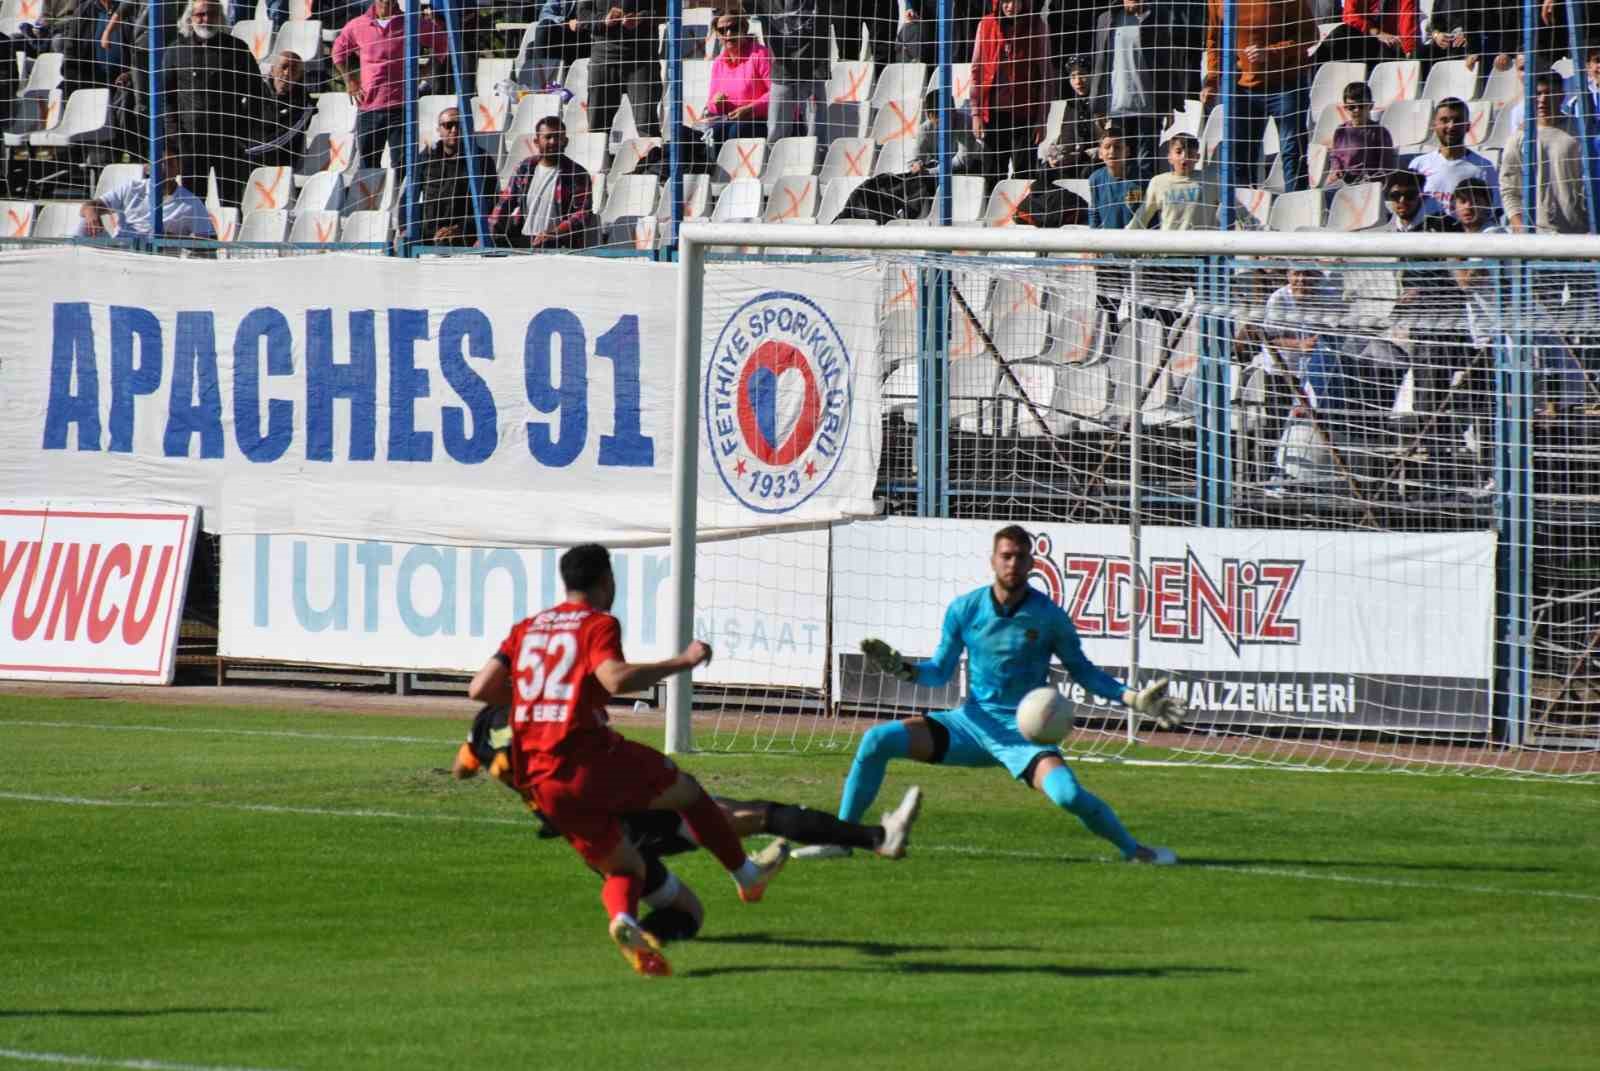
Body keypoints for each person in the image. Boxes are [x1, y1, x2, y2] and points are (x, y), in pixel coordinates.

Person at [466, 543, 788, 977]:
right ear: (606, 580)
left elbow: (480, 688)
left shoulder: (527, 628)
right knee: (688, 793)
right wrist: (683, 661)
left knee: (625, 865)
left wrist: (540, 697)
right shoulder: (597, 623)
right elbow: (615, 679)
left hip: (539, 779)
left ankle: (624, 920)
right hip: (587, 757)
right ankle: (746, 876)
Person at [796, 525, 1183, 864]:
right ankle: (840, 840)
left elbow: (1083, 671)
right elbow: (939, 672)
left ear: (1032, 563)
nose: (1013, 563)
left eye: (1020, 557)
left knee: (1067, 795)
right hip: (969, 725)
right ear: (993, 560)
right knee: (876, 739)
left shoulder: (1049, 617)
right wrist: (906, 670)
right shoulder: (965, 609)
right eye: (1006, 556)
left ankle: (1136, 851)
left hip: (1024, 736)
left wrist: (1134, 700)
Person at [452, 702, 925, 867]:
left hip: (594, 822)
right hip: (620, 820)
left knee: (745, 815)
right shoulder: (553, 717)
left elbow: (463, 765)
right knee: (746, 818)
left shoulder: (487, 724)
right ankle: (873, 839)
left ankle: (872, 838)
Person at [1202, 0, 1317, 192]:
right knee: (1240, 155)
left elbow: (1310, 34)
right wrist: (1212, 80)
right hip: (1241, 87)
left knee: (1292, 152)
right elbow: (1215, 38)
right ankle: (1244, 208)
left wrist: (1271, 51)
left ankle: (1297, 204)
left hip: (1286, 84)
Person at [162, 0, 265, 207]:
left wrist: (244, 130)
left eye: (212, 14)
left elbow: (256, 91)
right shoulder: (176, 50)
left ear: (221, 17)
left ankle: (232, 230)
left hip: (228, 141)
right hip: (191, 142)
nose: (206, 19)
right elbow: (166, 97)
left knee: (231, 202)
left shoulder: (236, 48)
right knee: (192, 204)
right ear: (190, 18)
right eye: (200, 14)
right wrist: (177, 135)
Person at [333, 0, 448, 174]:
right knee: (368, 167)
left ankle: (403, 193)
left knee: (403, 166)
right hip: (369, 108)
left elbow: (442, 41)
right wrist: (350, 80)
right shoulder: (358, 25)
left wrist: (427, 69)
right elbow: (337, 52)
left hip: (402, 108)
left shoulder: (411, 22)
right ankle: (373, 193)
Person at [1088, 0, 1198, 178]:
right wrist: (1098, 104)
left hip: (1148, 109)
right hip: (1117, 107)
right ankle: (1125, 197)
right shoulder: (1106, 19)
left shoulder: (1158, 16)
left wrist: (1168, 104)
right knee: (1121, 166)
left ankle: (1141, 197)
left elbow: (1166, 62)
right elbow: (1100, 64)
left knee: (1144, 166)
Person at [970, 0, 1054, 190]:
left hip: (1025, 114)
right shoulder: (986, 25)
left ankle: (1023, 209)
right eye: (1006, 1)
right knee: (993, 174)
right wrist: (976, 113)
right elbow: (976, 70)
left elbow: (1046, 76)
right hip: (993, 114)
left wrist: (1042, 119)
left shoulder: (1037, 26)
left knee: (1024, 176)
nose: (1011, 7)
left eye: (1016, 2)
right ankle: (992, 208)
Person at [487, 114, 598, 248]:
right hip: (526, 240)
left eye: (558, 137)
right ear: (536, 141)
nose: (553, 141)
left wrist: (555, 233)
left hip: (559, 244)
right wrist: (487, 235)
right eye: (548, 137)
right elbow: (505, 202)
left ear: (566, 141)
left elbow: (582, 214)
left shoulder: (578, 174)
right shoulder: (525, 168)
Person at [1501, 73, 1591, 235]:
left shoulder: (1580, 132)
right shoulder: (1518, 138)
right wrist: (1519, 227)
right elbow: (1509, 189)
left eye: (1549, 93)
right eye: (1538, 93)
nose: (1543, 99)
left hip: (1578, 233)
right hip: (1535, 235)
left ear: (1561, 96)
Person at [77, 144, 215, 239]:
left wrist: (175, 239)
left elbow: (208, 243)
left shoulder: (191, 203)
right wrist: (91, 213)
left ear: (179, 168)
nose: (163, 168)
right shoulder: (132, 188)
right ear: (148, 167)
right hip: (121, 251)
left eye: (170, 163)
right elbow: (87, 207)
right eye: (158, 163)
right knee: (84, 222)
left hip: (160, 259)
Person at [576, 0, 664, 144]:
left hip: (642, 61)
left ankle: (653, 158)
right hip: (603, 60)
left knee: (646, 126)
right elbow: (582, 15)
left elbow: (664, 10)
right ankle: (601, 159)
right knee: (597, 128)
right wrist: (604, 20)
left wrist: (640, 18)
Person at [692, 9, 771, 149]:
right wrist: (717, 102)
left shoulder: (760, 54)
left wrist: (750, 109)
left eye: (733, 28)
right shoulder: (719, 62)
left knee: (734, 131)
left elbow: (777, 94)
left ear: (744, 29)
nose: (728, 34)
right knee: (691, 133)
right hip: (728, 121)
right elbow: (711, 105)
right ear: (718, 34)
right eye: (722, 30)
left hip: (760, 120)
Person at [755, 0, 828, 142]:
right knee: (776, 133)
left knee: (815, 136)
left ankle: (816, 156)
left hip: (813, 71)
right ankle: (776, 156)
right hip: (781, 71)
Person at [1409, 97, 1500, 210]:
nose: (1451, 126)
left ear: (1468, 126)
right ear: (1434, 125)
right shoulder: (1418, 164)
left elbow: (1495, 210)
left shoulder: (1484, 167)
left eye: (1457, 120)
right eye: (1444, 120)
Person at [416, 106, 487, 246]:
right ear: (439, 130)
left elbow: (489, 203)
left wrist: (459, 228)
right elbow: (407, 198)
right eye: (448, 125)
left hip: (464, 236)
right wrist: (405, 229)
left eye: (459, 125)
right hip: (427, 235)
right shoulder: (425, 158)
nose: (454, 130)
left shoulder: (481, 160)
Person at [1126, 131, 1215, 230]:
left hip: (1201, 240)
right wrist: (1124, 235)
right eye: (1178, 152)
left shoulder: (1211, 180)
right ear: (1169, 157)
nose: (1184, 157)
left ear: (1197, 157)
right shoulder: (1158, 182)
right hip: (1169, 240)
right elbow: (1142, 216)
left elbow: (1229, 206)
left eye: (1190, 153)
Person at [245, 51, 315, 171]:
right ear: (272, 70)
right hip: (247, 157)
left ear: (300, 76)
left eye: (294, 69)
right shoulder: (255, 92)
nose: (287, 73)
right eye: (284, 67)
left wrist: (245, 150)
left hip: (279, 166)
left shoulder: (304, 105)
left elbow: (280, 140)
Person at [1323, 80, 1395, 187]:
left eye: (1361, 105)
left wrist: (1369, 180)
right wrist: (1337, 169)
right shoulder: (1340, 130)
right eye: (1351, 107)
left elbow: (1386, 167)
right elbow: (1335, 156)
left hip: (1368, 184)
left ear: (1370, 106)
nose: (1356, 110)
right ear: (1345, 108)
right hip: (1343, 181)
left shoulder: (1380, 132)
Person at [1312, 0, 1419, 65]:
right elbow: (1349, 16)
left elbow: (1408, 17)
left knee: (1391, 51)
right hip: (1361, 36)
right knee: (1340, 34)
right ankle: (1312, 72)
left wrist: (1409, 48)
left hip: (1387, 43)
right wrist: (1377, 33)